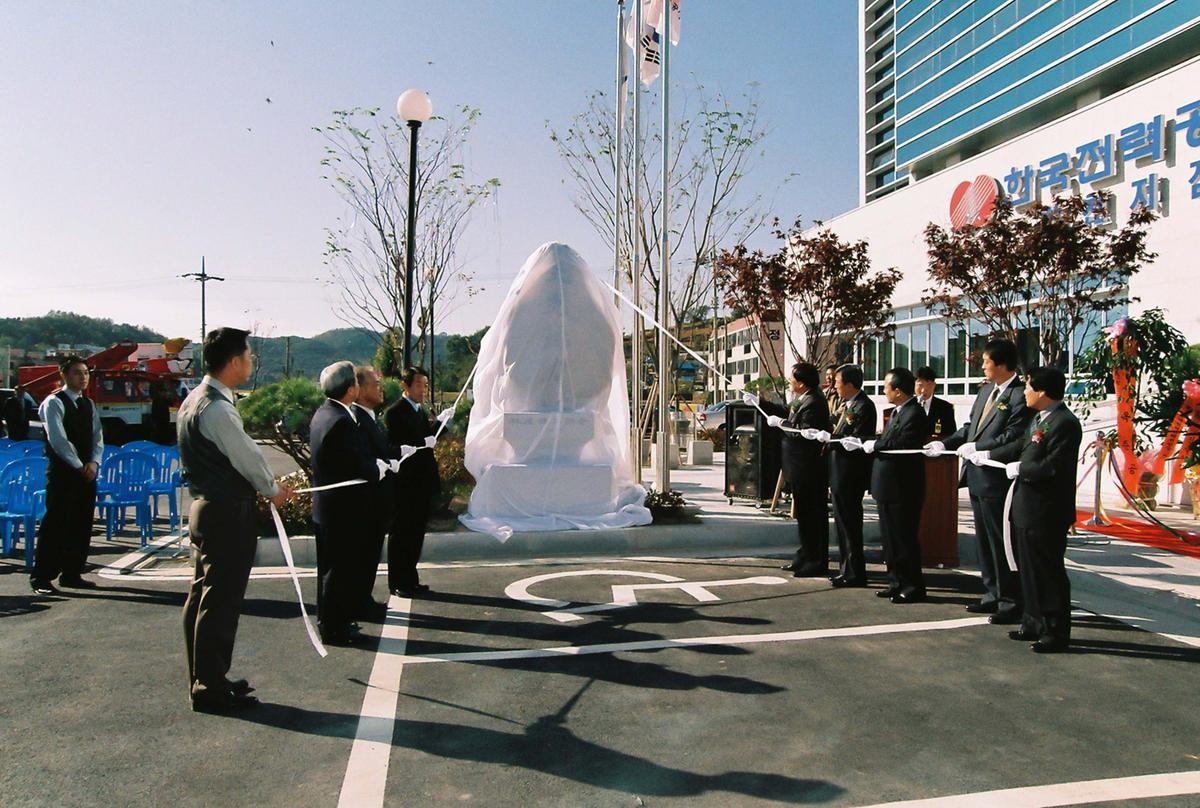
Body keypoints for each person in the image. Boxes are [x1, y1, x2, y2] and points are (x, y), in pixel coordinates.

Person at [177, 328, 292, 713]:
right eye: (248, 355)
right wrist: (273, 488)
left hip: (205, 506)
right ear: (232, 362)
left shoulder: (193, 400)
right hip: (226, 511)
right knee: (220, 600)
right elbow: (247, 458)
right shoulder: (218, 407)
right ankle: (208, 686)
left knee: (204, 595)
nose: (251, 361)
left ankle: (205, 675)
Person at [926, 339, 1032, 623]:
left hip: (997, 479)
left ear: (1001, 364)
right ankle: (992, 593)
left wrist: (984, 450)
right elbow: (969, 428)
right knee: (984, 542)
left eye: (986, 362)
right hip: (977, 477)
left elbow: (1014, 436)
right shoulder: (986, 392)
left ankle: (1011, 601)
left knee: (1001, 543)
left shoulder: (1020, 395)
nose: (982, 366)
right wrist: (945, 444)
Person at [980, 367, 1082, 653]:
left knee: (1048, 572)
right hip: (1026, 506)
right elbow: (1020, 446)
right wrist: (988, 454)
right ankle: (1033, 621)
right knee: (1028, 569)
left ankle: (1055, 631)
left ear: (1042, 391)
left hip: (1047, 510)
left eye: (1028, 387)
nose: (1024, 392)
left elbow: (1053, 466)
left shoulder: (1065, 422)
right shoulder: (1039, 418)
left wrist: (1022, 468)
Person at [310, 361, 394, 645]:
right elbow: (358, 464)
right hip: (341, 509)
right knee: (338, 571)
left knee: (331, 570)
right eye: (356, 384)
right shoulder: (342, 421)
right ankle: (334, 627)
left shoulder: (324, 413)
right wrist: (380, 468)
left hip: (329, 507)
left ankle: (335, 620)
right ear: (349, 389)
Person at [750, 362, 833, 577]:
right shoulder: (804, 399)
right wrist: (760, 403)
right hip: (798, 467)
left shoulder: (815, 402)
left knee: (812, 515)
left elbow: (805, 433)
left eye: (792, 378)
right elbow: (788, 412)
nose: (789, 381)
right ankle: (805, 554)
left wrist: (781, 424)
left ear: (802, 382)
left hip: (809, 468)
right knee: (804, 515)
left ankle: (816, 560)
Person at [30, 357, 104, 595]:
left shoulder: (88, 404)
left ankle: (72, 573)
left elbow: (97, 436)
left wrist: (93, 462)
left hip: (87, 473)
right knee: (56, 524)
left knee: (82, 523)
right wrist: (78, 465)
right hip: (64, 472)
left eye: (85, 373)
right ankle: (42, 577)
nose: (82, 378)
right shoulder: (53, 402)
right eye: (76, 373)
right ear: (63, 375)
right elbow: (58, 439)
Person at [863, 367, 929, 603]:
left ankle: (911, 585)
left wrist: (875, 445)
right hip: (889, 486)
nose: (884, 391)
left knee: (904, 538)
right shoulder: (899, 411)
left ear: (898, 391)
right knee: (890, 538)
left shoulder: (914, 413)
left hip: (903, 487)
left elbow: (900, 442)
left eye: (886, 387)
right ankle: (896, 580)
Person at [383, 366, 441, 598]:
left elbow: (428, 439)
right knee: (402, 534)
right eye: (419, 384)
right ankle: (398, 581)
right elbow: (409, 443)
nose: (423, 389)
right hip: (405, 483)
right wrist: (425, 438)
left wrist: (441, 424)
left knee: (416, 534)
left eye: (425, 385)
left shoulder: (419, 410)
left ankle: (410, 578)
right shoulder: (395, 412)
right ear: (405, 386)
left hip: (421, 483)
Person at [351, 365, 401, 619]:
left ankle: (364, 599)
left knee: (371, 554)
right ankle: (359, 602)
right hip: (367, 502)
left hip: (378, 501)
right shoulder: (357, 419)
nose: (381, 387)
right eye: (374, 383)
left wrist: (399, 452)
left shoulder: (370, 416)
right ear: (358, 389)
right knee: (364, 554)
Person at [826, 364, 877, 588]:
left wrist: (830, 439)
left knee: (849, 525)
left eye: (837, 382)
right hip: (840, 472)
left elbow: (854, 438)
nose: (834, 386)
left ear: (849, 384)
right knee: (842, 524)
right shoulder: (849, 404)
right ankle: (846, 569)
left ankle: (855, 572)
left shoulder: (863, 406)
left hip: (850, 474)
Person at [914, 366, 957, 440]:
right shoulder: (907, 405)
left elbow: (952, 435)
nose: (923, 390)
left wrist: (939, 439)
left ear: (934, 385)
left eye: (928, 385)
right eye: (920, 385)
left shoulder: (945, 407)